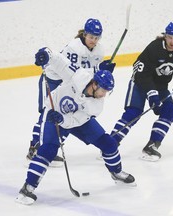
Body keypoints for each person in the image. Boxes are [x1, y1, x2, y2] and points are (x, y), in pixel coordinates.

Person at [15, 48, 135, 205]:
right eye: (103, 90)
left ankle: (116, 172)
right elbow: (60, 62)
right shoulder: (80, 76)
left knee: (109, 143)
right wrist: (46, 54)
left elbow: (74, 121)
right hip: (53, 112)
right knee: (48, 150)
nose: (104, 94)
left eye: (107, 91)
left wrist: (63, 119)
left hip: (73, 120)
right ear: (94, 83)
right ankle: (27, 188)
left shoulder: (96, 106)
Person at [26, 18, 115, 166]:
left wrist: (101, 71)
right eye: (91, 37)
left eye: (97, 38)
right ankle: (35, 148)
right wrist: (97, 70)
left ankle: (51, 145)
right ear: (84, 34)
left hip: (69, 83)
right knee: (47, 111)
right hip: (53, 78)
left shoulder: (99, 50)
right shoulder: (74, 47)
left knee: (64, 114)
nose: (94, 40)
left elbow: (88, 79)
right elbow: (74, 71)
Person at [110, 22, 173, 161]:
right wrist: (152, 93)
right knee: (134, 113)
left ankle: (152, 145)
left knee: (170, 111)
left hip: (161, 85)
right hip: (140, 81)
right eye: (169, 37)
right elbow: (141, 72)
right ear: (165, 36)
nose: (172, 41)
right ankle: (111, 142)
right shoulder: (154, 48)